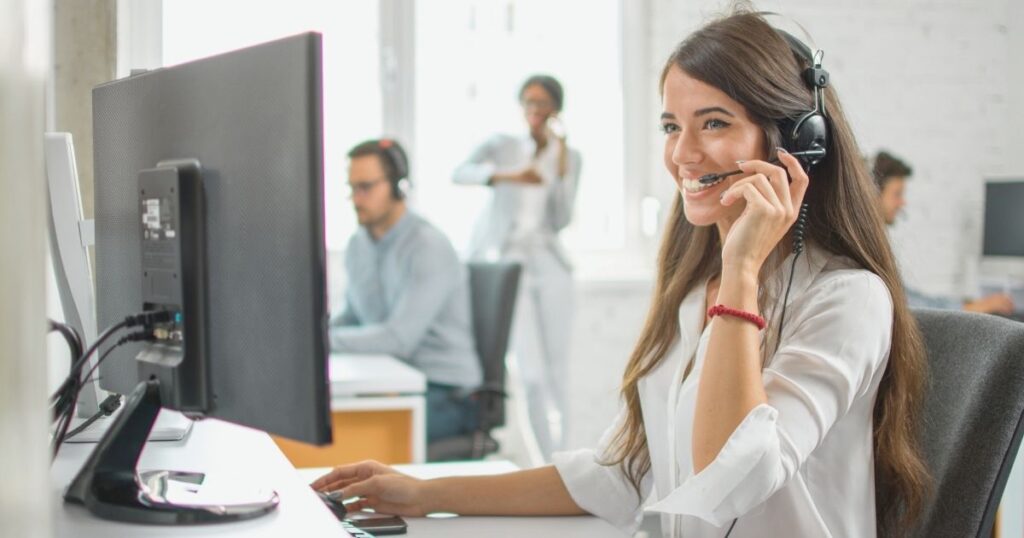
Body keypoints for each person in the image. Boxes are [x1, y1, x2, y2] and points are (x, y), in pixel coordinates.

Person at [313, 12, 930, 537]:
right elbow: (621, 474)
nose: (682, 154)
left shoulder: (847, 299)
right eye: (671, 126)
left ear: (797, 143)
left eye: (714, 122)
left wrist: (742, 268)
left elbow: (730, 480)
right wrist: (424, 494)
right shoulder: (694, 294)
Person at [452, 74, 582, 459]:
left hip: (549, 262)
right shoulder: (503, 145)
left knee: (558, 373)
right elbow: (459, 173)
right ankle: (544, 462)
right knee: (531, 374)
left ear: (556, 109)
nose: (534, 110)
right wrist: (507, 176)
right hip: (509, 261)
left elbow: (561, 219)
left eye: (542, 103)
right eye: (528, 102)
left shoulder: (569, 156)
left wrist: (561, 171)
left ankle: (563, 461)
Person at [330, 138, 482, 446]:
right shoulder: (358, 244)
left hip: (446, 393)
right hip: (393, 382)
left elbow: (398, 340)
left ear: (399, 186)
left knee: (347, 436)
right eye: (352, 188)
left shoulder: (427, 246)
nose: (356, 199)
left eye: (366, 187)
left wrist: (322, 342)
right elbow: (353, 317)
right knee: (327, 418)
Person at [873, 150, 1015, 314]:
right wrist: (975, 308)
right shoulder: (869, 247)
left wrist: (966, 305)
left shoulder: (877, 241)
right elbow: (911, 306)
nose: (902, 202)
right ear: (873, 194)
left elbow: (908, 296)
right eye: (897, 194)